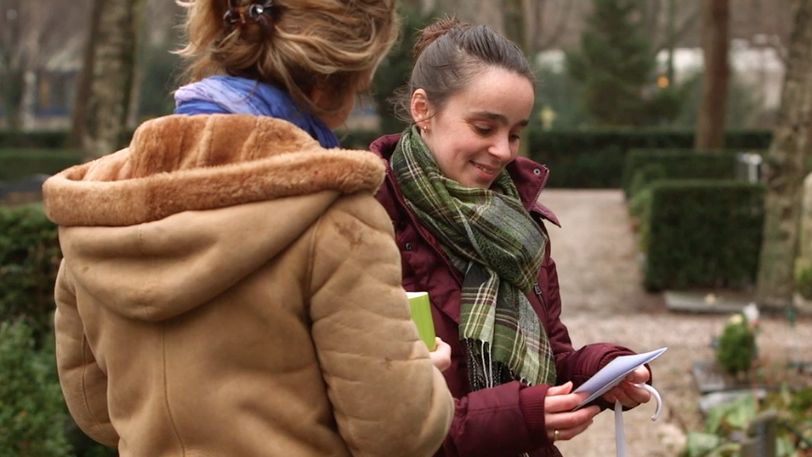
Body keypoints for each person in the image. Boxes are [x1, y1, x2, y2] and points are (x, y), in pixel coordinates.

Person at [42, 1, 454, 455]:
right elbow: (397, 433)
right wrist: (423, 372)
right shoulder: (335, 218)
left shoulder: (104, 201)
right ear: (338, 78)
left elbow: (94, 409)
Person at [370, 18, 653, 457]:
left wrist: (602, 370)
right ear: (423, 109)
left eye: (515, 133)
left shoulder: (520, 223)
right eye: (485, 128)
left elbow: (551, 355)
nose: (504, 150)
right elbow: (379, 418)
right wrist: (518, 417)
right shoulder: (365, 220)